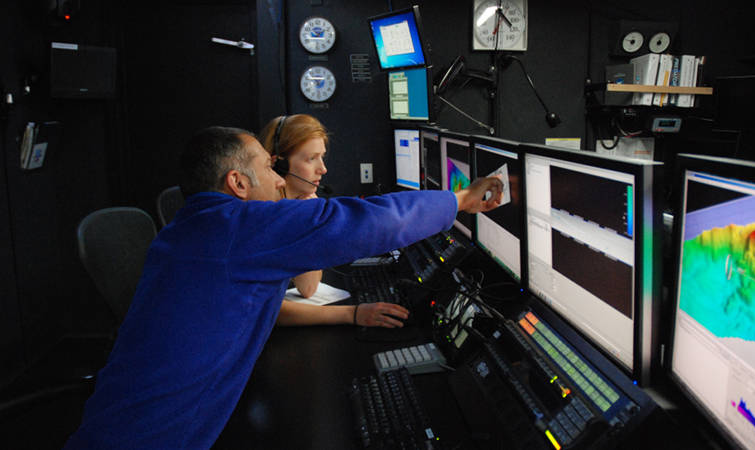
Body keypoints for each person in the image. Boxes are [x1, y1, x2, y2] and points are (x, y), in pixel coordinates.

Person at [64, 126, 503, 449]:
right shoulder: (237, 229)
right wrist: (459, 201)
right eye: (269, 169)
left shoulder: (193, 230)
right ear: (237, 184)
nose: (279, 181)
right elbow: (363, 221)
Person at [258, 114, 407, 328]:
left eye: (322, 157)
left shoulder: (292, 208)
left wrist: (309, 219)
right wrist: (352, 314)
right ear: (279, 164)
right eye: (311, 158)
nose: (323, 169)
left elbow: (308, 288)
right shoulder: (261, 216)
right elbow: (270, 312)